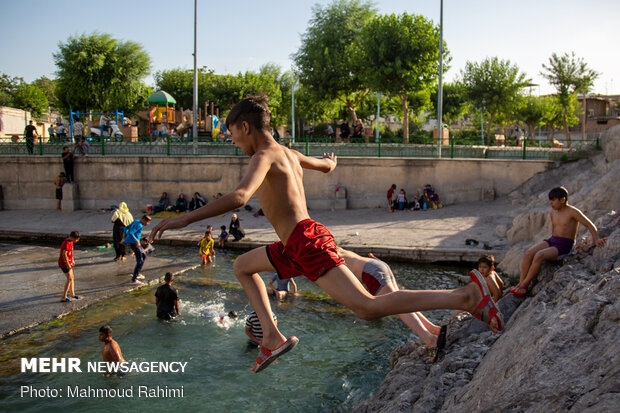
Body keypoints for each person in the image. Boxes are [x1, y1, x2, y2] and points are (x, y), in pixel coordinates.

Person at [149, 95, 503, 373]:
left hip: (304, 240)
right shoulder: (288, 153)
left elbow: (240, 196)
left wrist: (183, 220)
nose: (232, 141)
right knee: (243, 266)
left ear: (245, 127)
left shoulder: (262, 156)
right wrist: (330, 162)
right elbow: (326, 165)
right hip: (296, 243)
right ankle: (271, 337)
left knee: (367, 308)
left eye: (232, 134)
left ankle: (465, 297)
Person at [339, 248, 446, 361]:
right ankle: (433, 329)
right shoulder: (334, 248)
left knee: (396, 307)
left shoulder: (326, 257)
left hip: (370, 272)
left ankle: (430, 340)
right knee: (401, 302)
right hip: (377, 265)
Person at [510, 186, 606, 297]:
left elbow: (589, 224)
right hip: (553, 240)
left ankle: (525, 285)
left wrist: (597, 239)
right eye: (550, 200)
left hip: (565, 244)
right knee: (529, 253)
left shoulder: (573, 212)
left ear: (563, 200)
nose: (551, 203)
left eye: (553, 200)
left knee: (539, 255)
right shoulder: (553, 212)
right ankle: (521, 283)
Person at [122, 215, 152, 284]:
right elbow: (131, 233)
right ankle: (133, 280)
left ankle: (138, 273)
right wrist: (137, 241)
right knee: (140, 260)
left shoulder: (136, 221)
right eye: (148, 222)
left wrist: (124, 237)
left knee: (143, 255)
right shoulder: (139, 225)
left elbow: (126, 228)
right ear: (144, 220)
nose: (148, 224)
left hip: (134, 243)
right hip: (134, 243)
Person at [59, 231, 81, 302]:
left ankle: (72, 294)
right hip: (64, 264)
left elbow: (70, 252)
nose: (77, 240)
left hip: (69, 262)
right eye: (77, 239)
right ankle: (64, 296)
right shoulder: (67, 243)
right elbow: (64, 254)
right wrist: (68, 264)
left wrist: (72, 260)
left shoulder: (70, 241)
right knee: (69, 279)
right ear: (73, 237)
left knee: (72, 278)